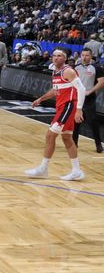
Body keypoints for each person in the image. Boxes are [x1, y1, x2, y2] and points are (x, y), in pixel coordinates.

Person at [25, 49, 86, 181]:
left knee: (50, 135)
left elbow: (81, 89)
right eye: (54, 56)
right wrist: (40, 99)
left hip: (68, 106)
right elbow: (55, 90)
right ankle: (76, 171)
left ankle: (43, 168)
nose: (56, 58)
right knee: (67, 138)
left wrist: (79, 109)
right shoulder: (55, 72)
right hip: (62, 107)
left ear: (65, 58)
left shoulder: (68, 71)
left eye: (59, 56)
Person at [72, 47, 104, 153]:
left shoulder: (96, 68)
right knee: (75, 121)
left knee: (92, 121)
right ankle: (74, 143)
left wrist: (90, 91)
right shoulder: (76, 67)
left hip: (89, 98)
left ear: (91, 56)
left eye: (87, 55)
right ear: (81, 56)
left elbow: (102, 82)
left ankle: (98, 144)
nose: (84, 57)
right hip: (76, 97)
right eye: (83, 55)